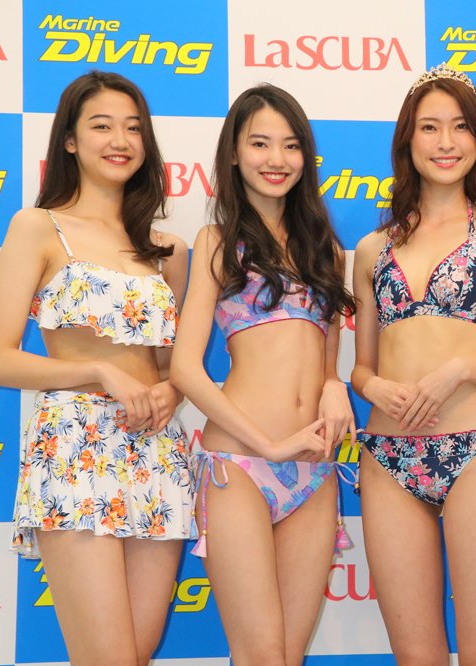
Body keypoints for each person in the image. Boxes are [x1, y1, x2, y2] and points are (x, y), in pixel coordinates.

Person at [0, 71, 190, 664]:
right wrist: (98, 371)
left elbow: (171, 366)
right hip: (74, 448)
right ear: (69, 140)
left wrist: (170, 391)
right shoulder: (38, 227)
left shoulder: (168, 251)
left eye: (133, 128)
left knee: (135, 656)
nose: (120, 140)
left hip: (156, 453)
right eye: (101, 126)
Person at [351, 63, 476, 663]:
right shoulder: (372, 248)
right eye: (430, 127)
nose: (445, 142)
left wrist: (459, 370)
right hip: (388, 457)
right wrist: (374, 387)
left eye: (460, 127)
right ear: (408, 139)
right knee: (416, 655)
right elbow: (360, 368)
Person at [169, 84, 355, 665]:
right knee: (261, 655)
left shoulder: (325, 248)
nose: (277, 159)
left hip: (314, 468)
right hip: (240, 465)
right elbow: (185, 368)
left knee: (287, 657)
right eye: (260, 143)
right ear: (233, 153)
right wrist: (270, 444)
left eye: (291, 145)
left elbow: (326, 351)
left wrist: (334, 383)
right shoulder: (217, 242)